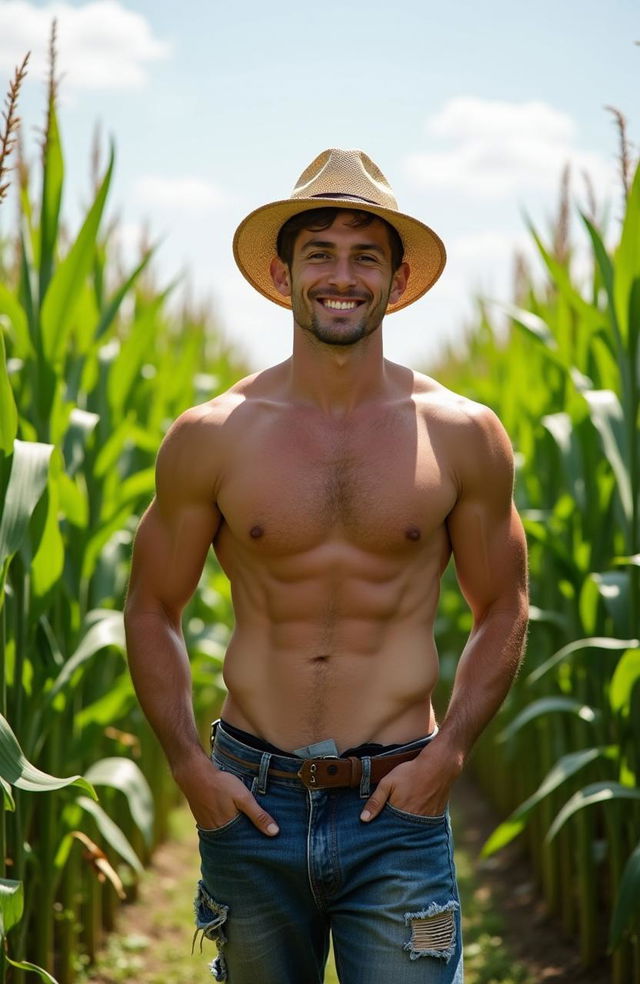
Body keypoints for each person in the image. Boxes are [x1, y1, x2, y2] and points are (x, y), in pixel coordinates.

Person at [124, 148, 529, 984]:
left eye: (364, 257)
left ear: (396, 277)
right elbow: (150, 607)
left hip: (399, 803)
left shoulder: (461, 434)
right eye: (320, 254)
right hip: (252, 800)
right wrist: (188, 770)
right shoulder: (214, 434)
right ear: (283, 273)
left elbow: (505, 606)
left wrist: (449, 756)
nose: (341, 276)